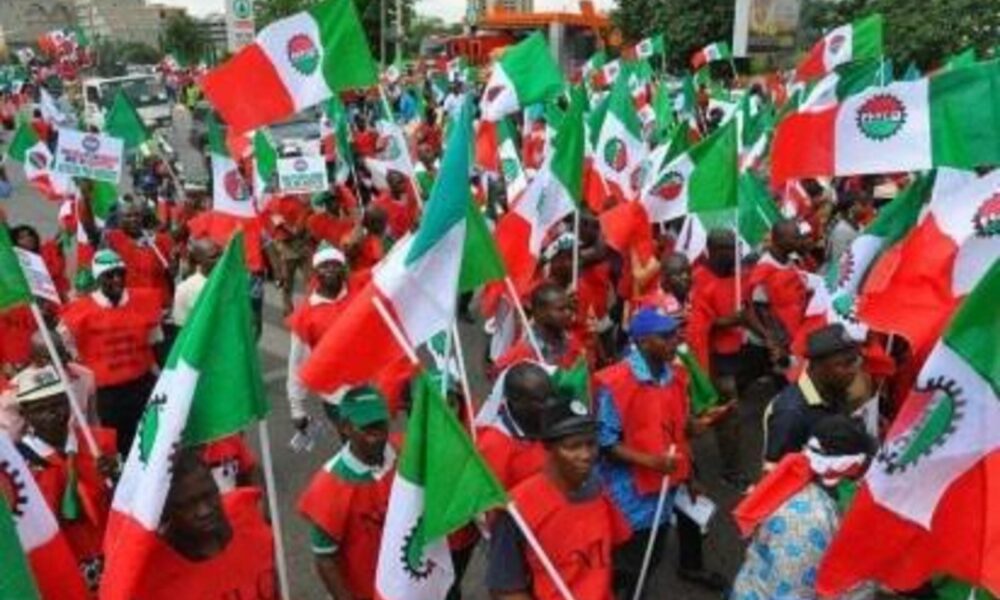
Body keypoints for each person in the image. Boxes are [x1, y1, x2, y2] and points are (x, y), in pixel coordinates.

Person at [486, 396, 632, 599]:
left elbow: (608, 557)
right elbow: (505, 589)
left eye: (591, 444)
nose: (586, 455)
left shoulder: (597, 487)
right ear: (548, 448)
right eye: (573, 447)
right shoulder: (515, 510)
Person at [594, 308, 693, 598]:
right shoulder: (615, 382)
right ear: (643, 342)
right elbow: (605, 442)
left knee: (652, 556)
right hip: (629, 497)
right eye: (666, 337)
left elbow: (677, 429)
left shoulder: (674, 375)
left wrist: (689, 471)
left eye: (675, 334)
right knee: (626, 563)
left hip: (665, 490)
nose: (675, 341)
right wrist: (650, 462)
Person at [731, 415, 877, 600]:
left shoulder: (805, 488)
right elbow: (790, 592)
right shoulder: (807, 525)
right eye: (860, 476)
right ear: (842, 473)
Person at [12, 364, 118, 593]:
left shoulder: (99, 444)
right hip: (65, 565)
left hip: (111, 555)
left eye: (58, 403)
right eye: (41, 409)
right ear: (25, 414)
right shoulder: (18, 467)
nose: (54, 413)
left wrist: (116, 477)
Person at [130, 449, 277, 599]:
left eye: (208, 495)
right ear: (166, 510)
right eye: (187, 505)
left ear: (215, 485)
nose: (204, 511)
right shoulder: (154, 574)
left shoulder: (249, 515)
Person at [58, 250, 162, 454]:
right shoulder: (78, 313)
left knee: (145, 441)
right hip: (104, 395)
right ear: (98, 279)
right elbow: (67, 351)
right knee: (113, 445)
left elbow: (154, 344)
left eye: (120, 273)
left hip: (141, 386)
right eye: (109, 275)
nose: (116, 280)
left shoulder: (144, 302)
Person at [298, 386, 395, 600]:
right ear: (345, 428)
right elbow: (325, 559)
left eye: (380, 425)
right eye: (367, 428)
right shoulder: (328, 486)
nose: (377, 436)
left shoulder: (404, 452)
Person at [686, 229, 749, 488]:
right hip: (713, 357)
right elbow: (699, 323)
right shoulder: (699, 279)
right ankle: (731, 471)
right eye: (727, 249)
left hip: (739, 353)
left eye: (736, 248)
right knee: (728, 413)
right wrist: (729, 321)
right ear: (712, 250)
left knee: (732, 412)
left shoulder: (738, 275)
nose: (734, 254)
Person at [763, 324, 862, 469]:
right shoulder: (791, 414)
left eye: (854, 361)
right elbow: (776, 476)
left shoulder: (834, 389)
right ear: (817, 366)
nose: (853, 370)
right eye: (844, 365)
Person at [286, 244, 356, 434]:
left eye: (335, 264)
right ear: (315, 271)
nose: (331, 270)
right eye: (325, 265)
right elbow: (297, 362)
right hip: (336, 396)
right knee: (354, 443)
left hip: (368, 387)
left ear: (344, 268)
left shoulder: (358, 295)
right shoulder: (304, 315)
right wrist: (297, 407)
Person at [745, 220, 809, 372]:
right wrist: (780, 344)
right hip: (782, 341)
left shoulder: (790, 261)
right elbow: (762, 311)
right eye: (795, 237)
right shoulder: (764, 271)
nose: (800, 241)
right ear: (780, 240)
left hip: (795, 332)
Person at [475, 361, 551, 490]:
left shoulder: (548, 421)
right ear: (516, 401)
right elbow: (493, 503)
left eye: (550, 396)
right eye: (539, 400)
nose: (549, 404)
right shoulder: (493, 446)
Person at [494, 282, 588, 372]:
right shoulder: (524, 352)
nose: (568, 313)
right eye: (561, 309)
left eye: (569, 307)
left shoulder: (568, 338)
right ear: (540, 313)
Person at [172, 238, 221, 328]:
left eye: (220, 255)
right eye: (213, 257)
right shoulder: (185, 289)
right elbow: (181, 327)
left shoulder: (231, 283)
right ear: (199, 259)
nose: (220, 260)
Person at [371, 170, 419, 241]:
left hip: (417, 232)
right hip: (402, 240)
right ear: (390, 185)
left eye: (403, 181)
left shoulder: (411, 193)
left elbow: (417, 211)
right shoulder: (382, 202)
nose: (403, 185)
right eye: (398, 183)